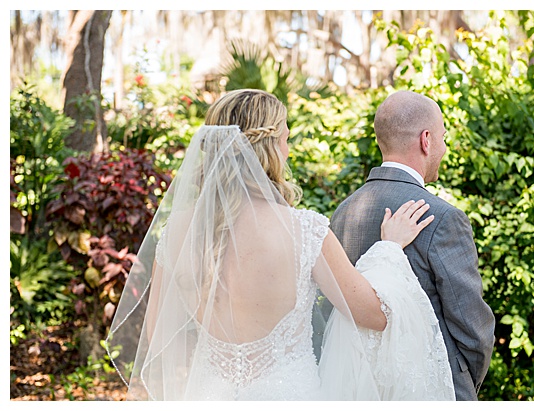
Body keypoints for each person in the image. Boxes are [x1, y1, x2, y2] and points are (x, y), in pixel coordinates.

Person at [105, 89, 454, 400]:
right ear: (270, 147)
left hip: (206, 395)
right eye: (285, 139)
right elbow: (374, 315)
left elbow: (160, 336)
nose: (287, 150)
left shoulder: (178, 230)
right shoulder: (304, 230)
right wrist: (389, 249)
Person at [331, 90, 495, 400]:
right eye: (443, 138)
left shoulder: (343, 212)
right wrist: (461, 389)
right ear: (426, 140)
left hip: (357, 389)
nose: (444, 148)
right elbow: (473, 327)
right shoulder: (443, 217)